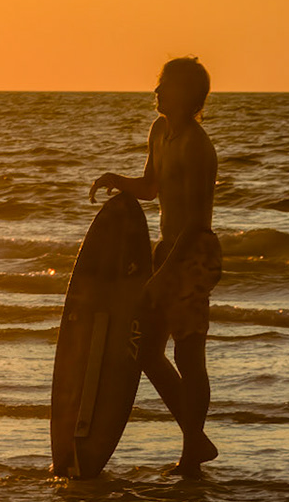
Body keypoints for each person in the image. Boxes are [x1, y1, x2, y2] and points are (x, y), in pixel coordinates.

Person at [90, 57, 222, 475]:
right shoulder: (160, 132)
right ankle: (196, 440)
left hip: (193, 257)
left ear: (184, 93)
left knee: (189, 355)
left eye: (163, 84)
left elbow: (199, 222)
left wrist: (164, 276)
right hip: (167, 251)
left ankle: (190, 456)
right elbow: (151, 188)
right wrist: (118, 180)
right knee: (146, 351)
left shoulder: (199, 147)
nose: (156, 90)